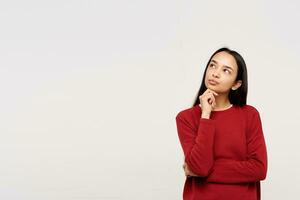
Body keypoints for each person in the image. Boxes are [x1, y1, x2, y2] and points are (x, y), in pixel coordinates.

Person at [175, 47, 268, 200]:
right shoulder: (186, 118)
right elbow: (200, 165)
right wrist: (205, 115)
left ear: (236, 84)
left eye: (226, 70)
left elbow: (259, 169)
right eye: (213, 65)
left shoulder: (249, 115)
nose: (215, 73)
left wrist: (201, 171)